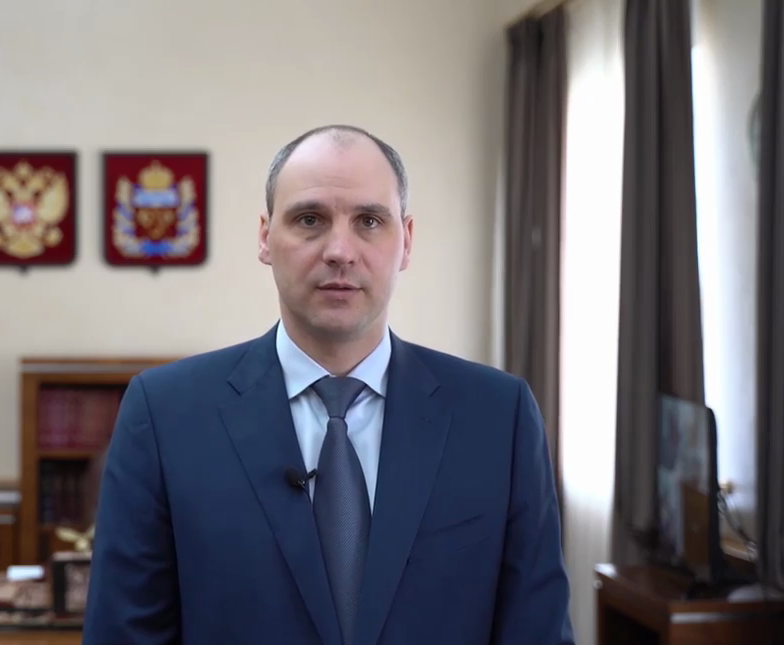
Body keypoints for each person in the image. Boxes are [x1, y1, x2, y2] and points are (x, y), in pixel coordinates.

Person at [81, 125, 574, 645]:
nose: (340, 250)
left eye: (369, 221)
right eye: (310, 219)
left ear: (406, 241)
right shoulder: (164, 416)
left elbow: (536, 630)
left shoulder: (498, 417)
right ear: (265, 237)